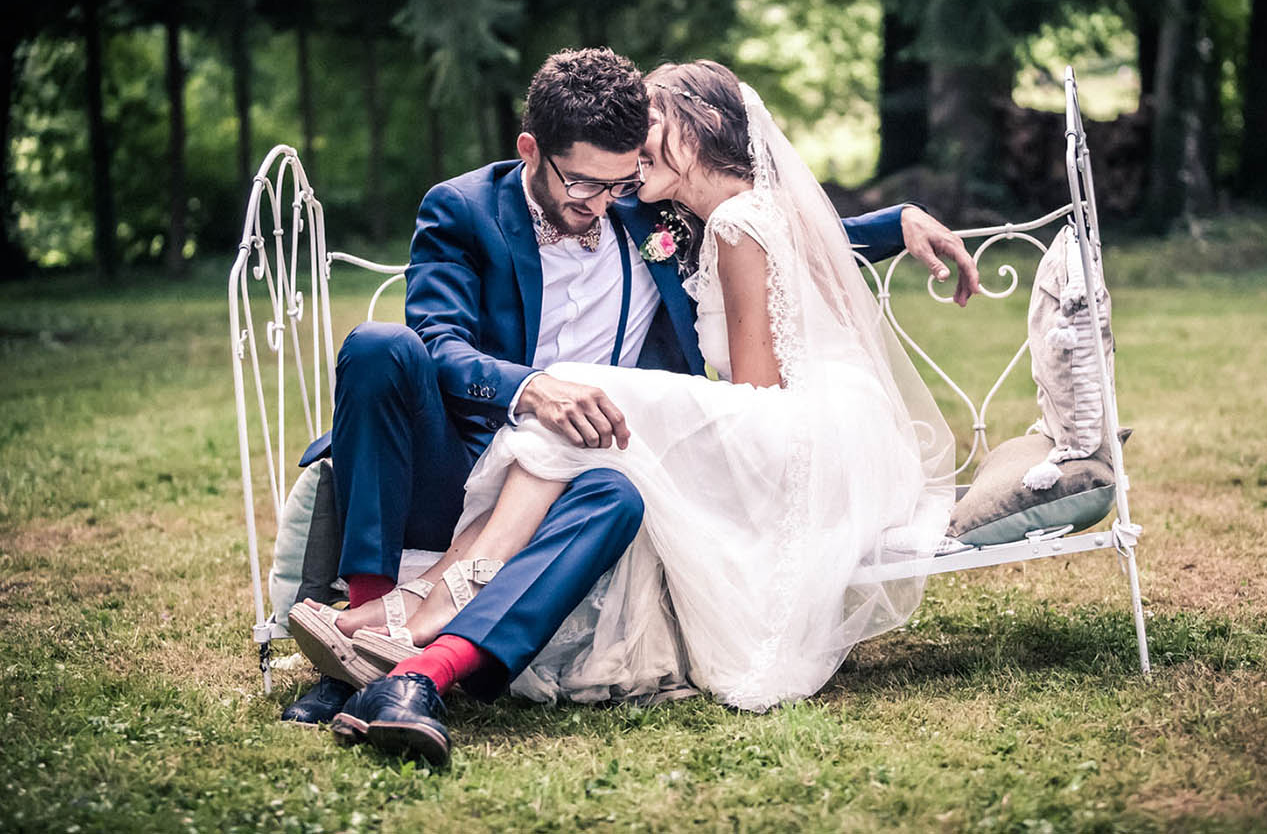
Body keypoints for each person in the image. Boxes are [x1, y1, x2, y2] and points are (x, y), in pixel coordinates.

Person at [325, 60, 977, 766]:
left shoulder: (650, 208)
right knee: (379, 346)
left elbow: (782, 234)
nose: (604, 201)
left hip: (591, 468)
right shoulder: (465, 209)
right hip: (472, 455)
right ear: (531, 152)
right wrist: (532, 389)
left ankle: (419, 671)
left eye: (618, 181)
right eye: (584, 183)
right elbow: (439, 347)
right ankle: (367, 623)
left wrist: (899, 219)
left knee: (617, 491)